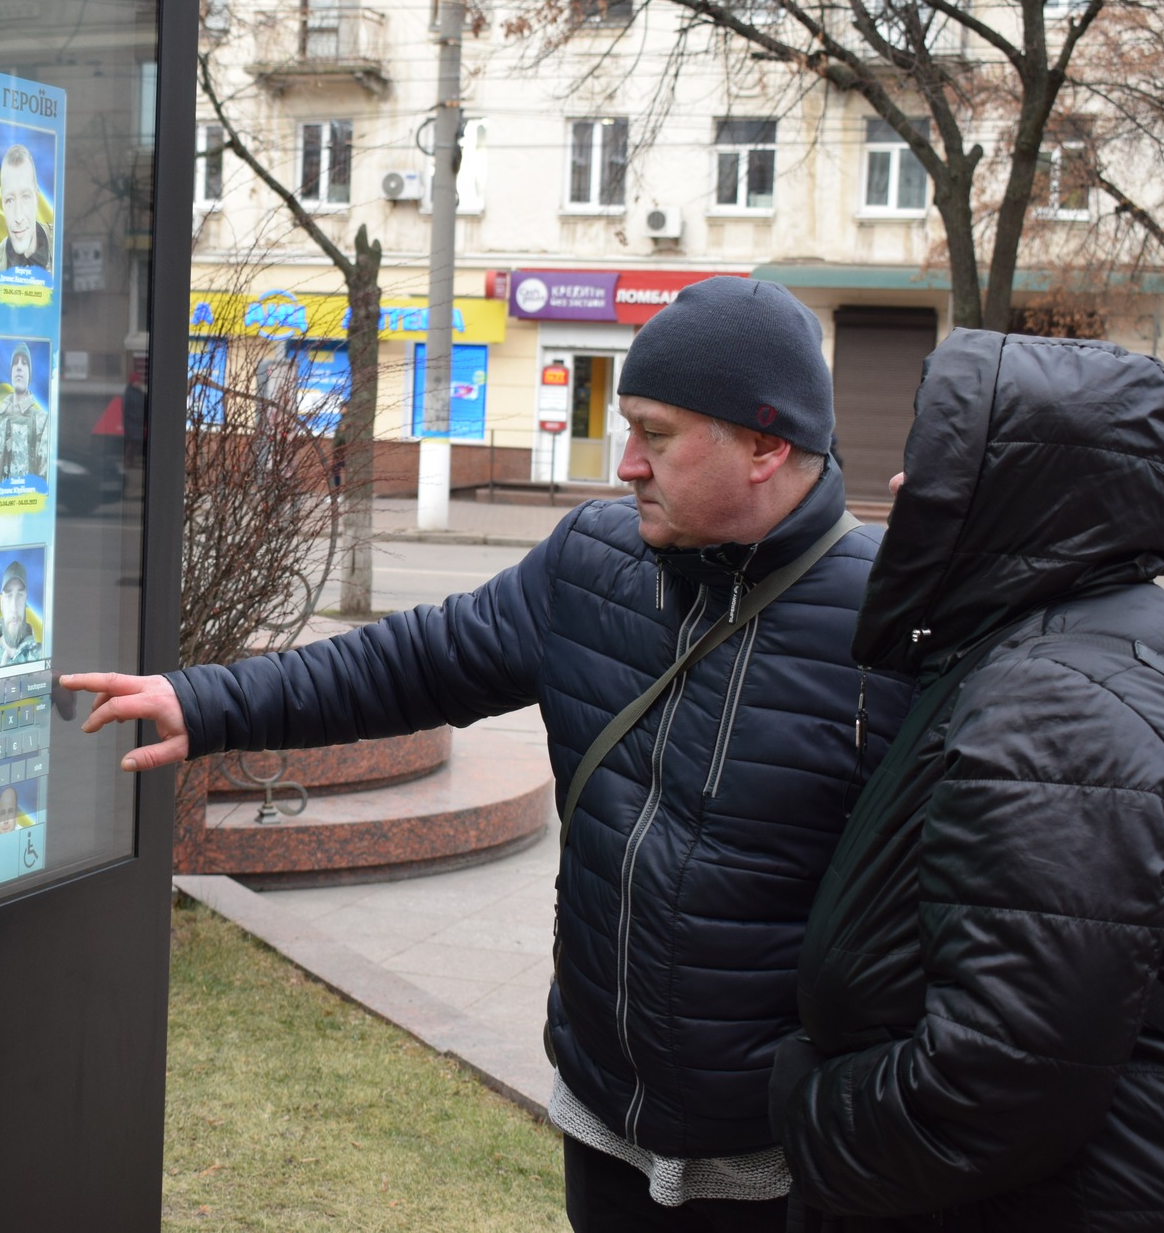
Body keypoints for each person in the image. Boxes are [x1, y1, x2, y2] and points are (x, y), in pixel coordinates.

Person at [67, 277, 915, 1231]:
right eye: (626, 428)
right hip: (603, 1119)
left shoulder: (896, 627)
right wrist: (208, 699)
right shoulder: (594, 560)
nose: (626, 463)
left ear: (767, 443)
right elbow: (417, 661)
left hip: (783, 1163)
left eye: (658, 435)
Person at [769, 330, 1164, 1230]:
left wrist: (805, 1105)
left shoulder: (1056, 709)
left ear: (1017, 491)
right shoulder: (1091, 633)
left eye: (933, 462)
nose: (904, 486)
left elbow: (992, 1089)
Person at [0, 345, 50, 489]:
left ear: (29, 373)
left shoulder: (41, 420)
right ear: (10, 373)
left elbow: (45, 477)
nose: (19, 367)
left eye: (24, 363)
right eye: (15, 363)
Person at [0, 143, 52, 273]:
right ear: (2, 204)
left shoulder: (58, 244)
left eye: (26, 197)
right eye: (10, 200)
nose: (18, 217)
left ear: (37, 198)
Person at [0, 559, 44, 667]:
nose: (14, 607)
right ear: (1, 602)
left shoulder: (43, 655)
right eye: (9, 596)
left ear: (26, 599)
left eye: (20, 595)